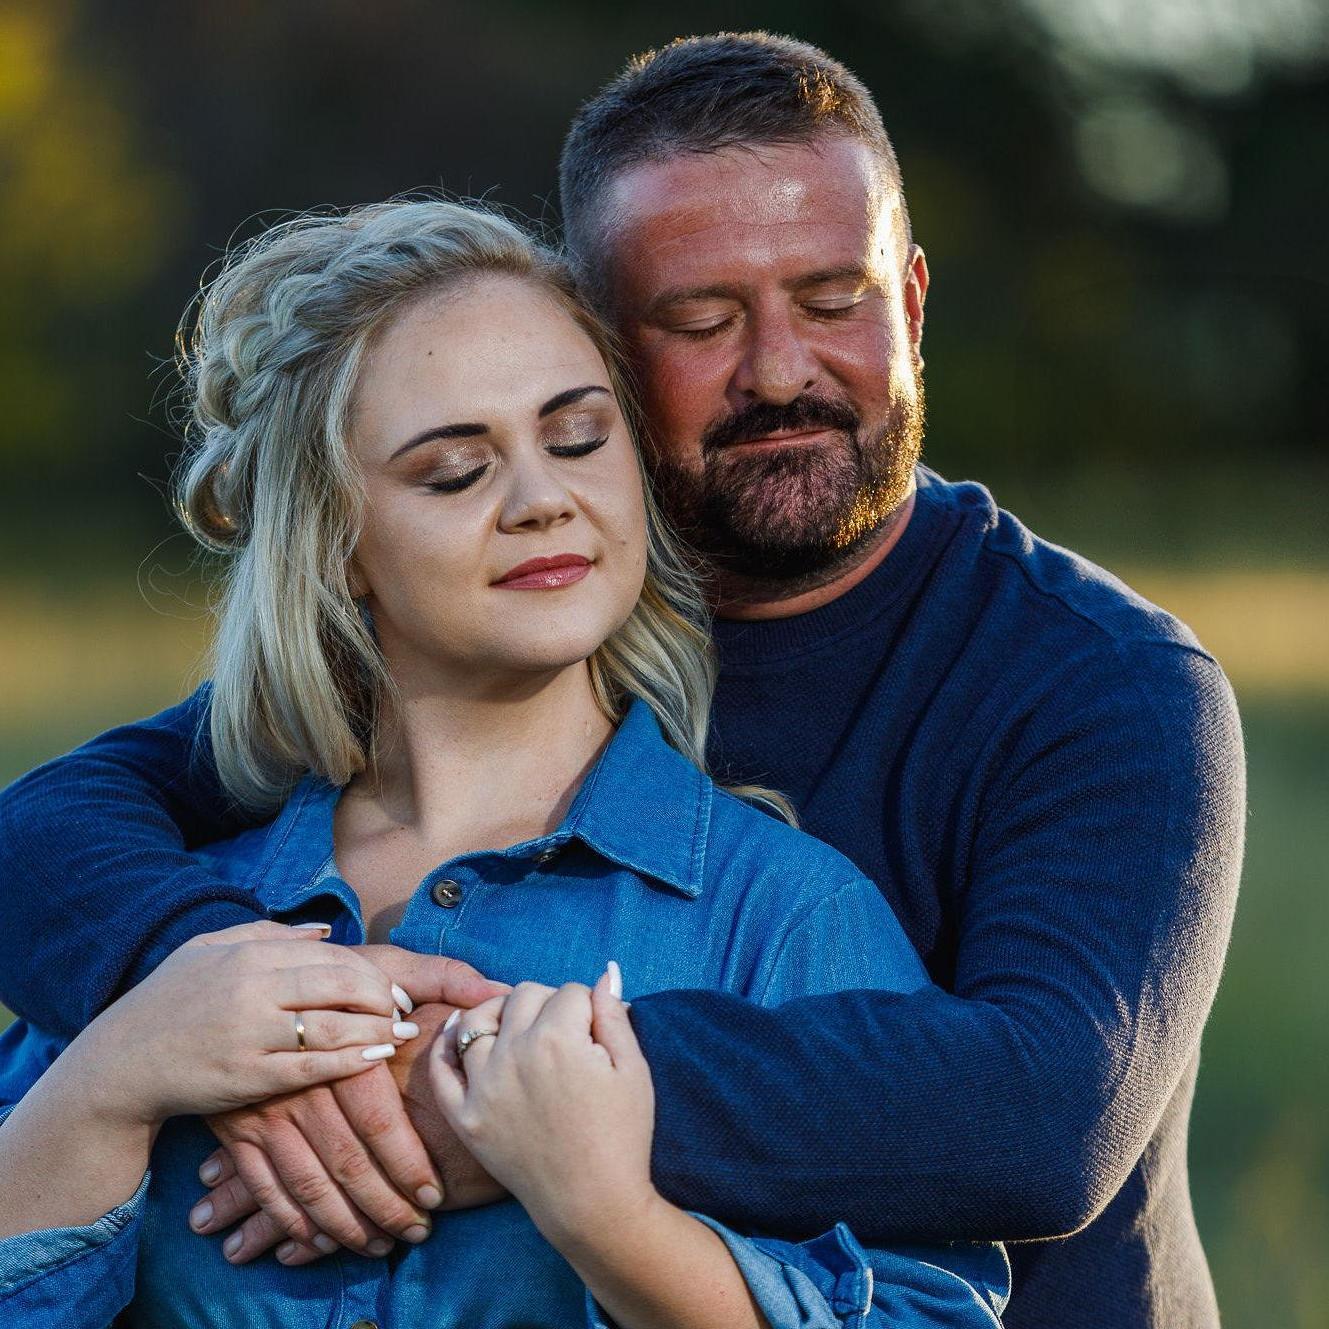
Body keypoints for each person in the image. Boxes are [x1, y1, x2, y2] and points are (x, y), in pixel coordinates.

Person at [0, 31, 1244, 1329]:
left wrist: (497, 1089)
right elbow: (54, 825)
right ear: (597, 338)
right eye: (701, 321)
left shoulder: (1091, 680)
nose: (780, 369)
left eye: (834, 301)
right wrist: (209, 1007)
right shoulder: (452, 653)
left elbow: (1045, 1111)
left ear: (912, 305)